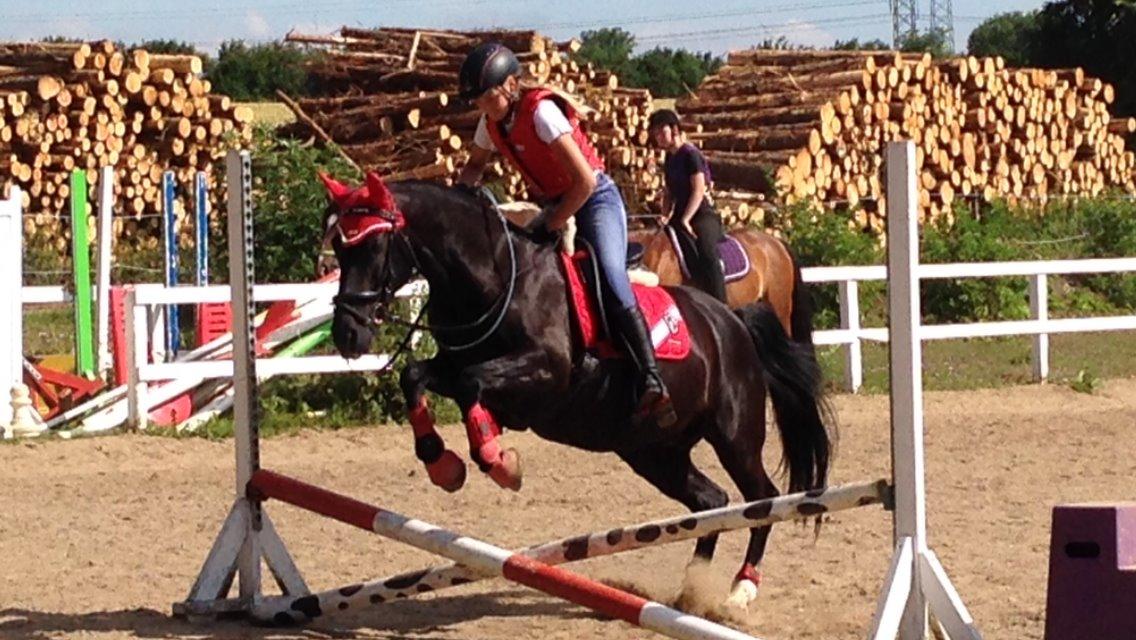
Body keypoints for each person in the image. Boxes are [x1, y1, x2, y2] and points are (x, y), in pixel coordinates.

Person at [456, 42, 675, 428]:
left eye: (486, 97)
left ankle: (651, 377)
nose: (482, 106)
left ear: (510, 85)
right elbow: (474, 166)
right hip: (553, 204)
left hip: (594, 200)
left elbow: (585, 182)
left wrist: (554, 220)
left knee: (609, 276)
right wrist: (459, 197)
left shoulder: (542, 113)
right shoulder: (491, 123)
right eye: (477, 100)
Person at [648, 109, 728, 304]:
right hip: (681, 216)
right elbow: (669, 192)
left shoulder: (691, 155)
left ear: (674, 130)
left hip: (701, 214)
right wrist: (665, 214)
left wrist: (686, 218)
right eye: (656, 134)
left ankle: (722, 303)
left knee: (707, 252)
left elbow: (698, 190)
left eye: (661, 132)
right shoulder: (669, 159)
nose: (658, 138)